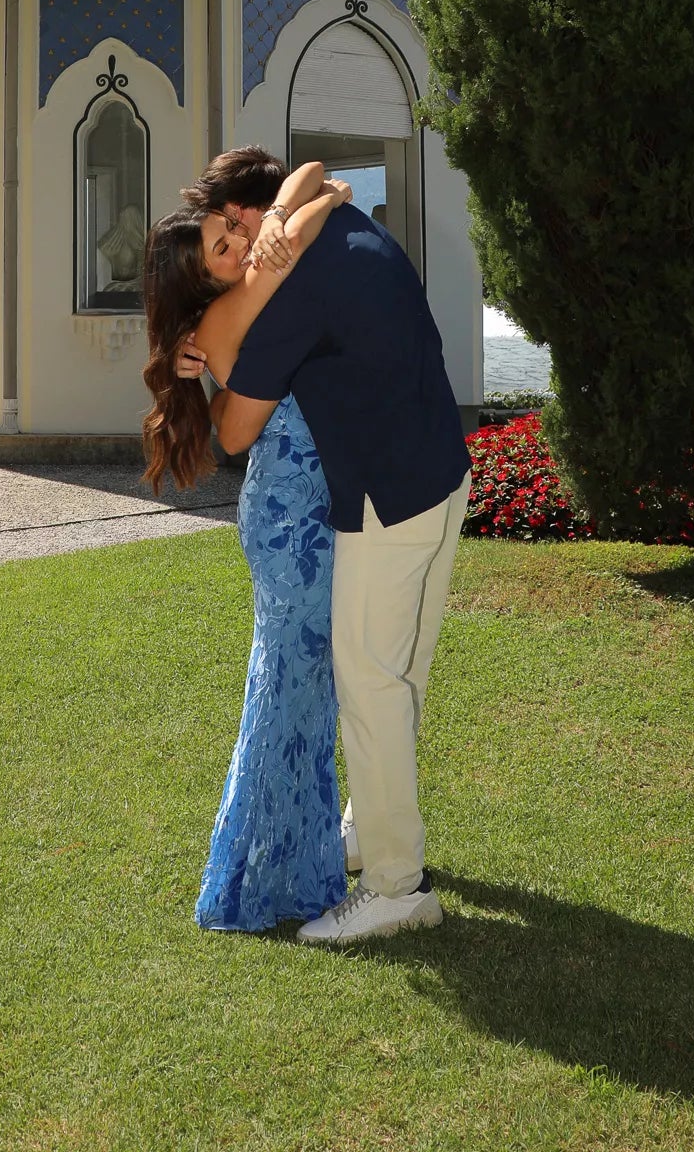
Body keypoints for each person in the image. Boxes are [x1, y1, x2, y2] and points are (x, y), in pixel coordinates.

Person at [178, 145, 470, 946]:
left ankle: (392, 887)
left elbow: (235, 433)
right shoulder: (343, 224)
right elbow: (315, 174)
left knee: (370, 686)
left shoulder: (289, 290)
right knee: (400, 675)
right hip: (444, 471)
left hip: (388, 497)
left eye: (229, 233)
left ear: (248, 217)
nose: (237, 253)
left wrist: (200, 380)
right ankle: (365, 834)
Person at [142, 155, 352, 932]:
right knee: (288, 698)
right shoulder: (236, 305)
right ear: (205, 283)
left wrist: (317, 188)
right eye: (223, 248)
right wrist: (328, 197)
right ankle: (268, 884)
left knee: (296, 694)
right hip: (290, 522)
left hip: (300, 511)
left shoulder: (242, 301)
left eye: (231, 228)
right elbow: (294, 224)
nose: (241, 240)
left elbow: (297, 187)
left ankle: (291, 865)